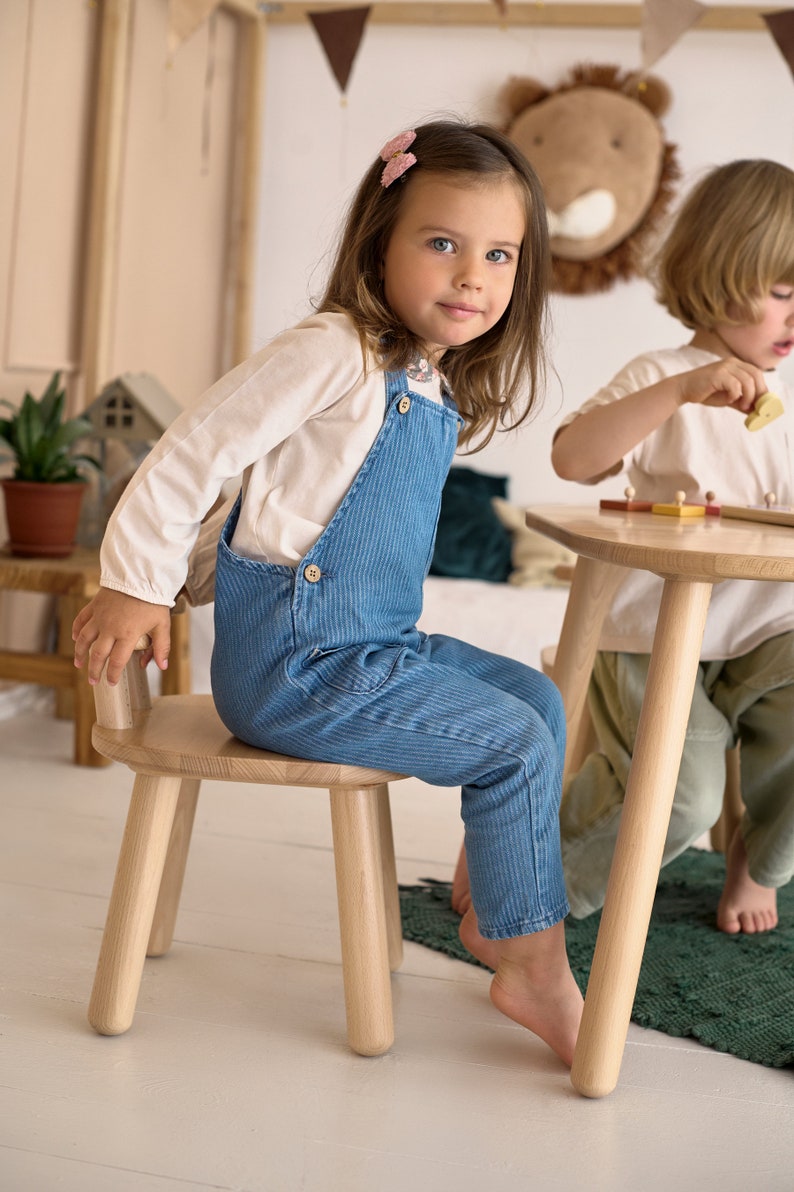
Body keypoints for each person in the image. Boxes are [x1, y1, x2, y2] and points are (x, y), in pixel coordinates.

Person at [72, 120, 583, 1066]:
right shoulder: (335, 349)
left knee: (536, 700)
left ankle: (490, 907)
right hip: (296, 669)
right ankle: (534, 961)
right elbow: (199, 448)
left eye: (499, 254)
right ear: (379, 242)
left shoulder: (425, 384)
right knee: (509, 746)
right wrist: (138, 581)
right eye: (443, 243)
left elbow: (275, 498)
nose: (473, 276)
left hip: (369, 649)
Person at [454, 158, 794, 937]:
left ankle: (758, 858)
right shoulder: (666, 376)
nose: (793, 316)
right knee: (679, 793)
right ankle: (526, 883)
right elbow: (574, 459)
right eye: (780, 292)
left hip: (771, 628)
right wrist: (678, 392)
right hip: (655, 635)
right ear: (719, 274)